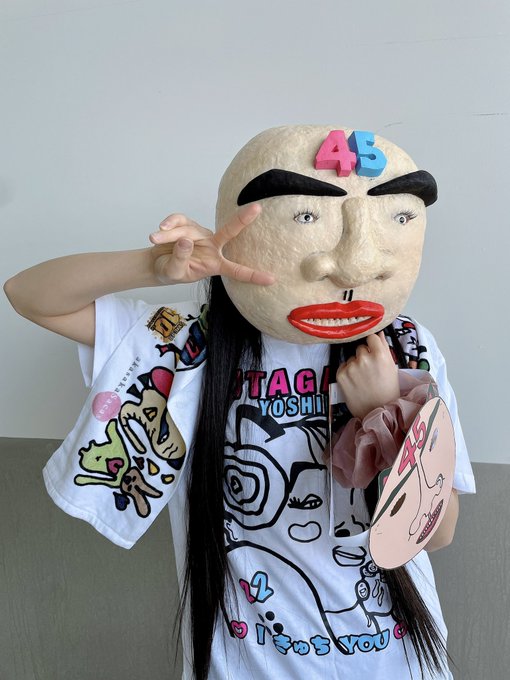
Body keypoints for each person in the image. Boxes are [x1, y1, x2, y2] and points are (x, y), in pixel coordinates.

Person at [4, 125, 475, 679]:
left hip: (395, 662)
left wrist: (383, 413)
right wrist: (154, 266)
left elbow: (439, 533)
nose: (349, 265)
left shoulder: (405, 348)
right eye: (306, 217)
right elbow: (29, 295)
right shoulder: (185, 344)